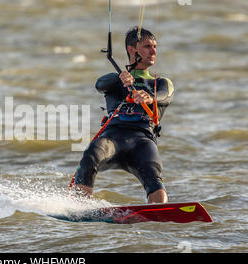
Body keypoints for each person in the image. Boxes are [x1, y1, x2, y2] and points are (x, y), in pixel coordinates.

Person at [73, 26, 175, 203]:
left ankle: (159, 212)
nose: (153, 51)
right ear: (132, 50)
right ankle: (78, 207)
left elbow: (166, 94)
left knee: (153, 175)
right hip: (112, 138)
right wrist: (120, 77)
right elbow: (99, 84)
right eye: (147, 46)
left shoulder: (161, 83)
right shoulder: (115, 80)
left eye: (155, 47)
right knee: (91, 156)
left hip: (142, 140)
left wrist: (150, 98)